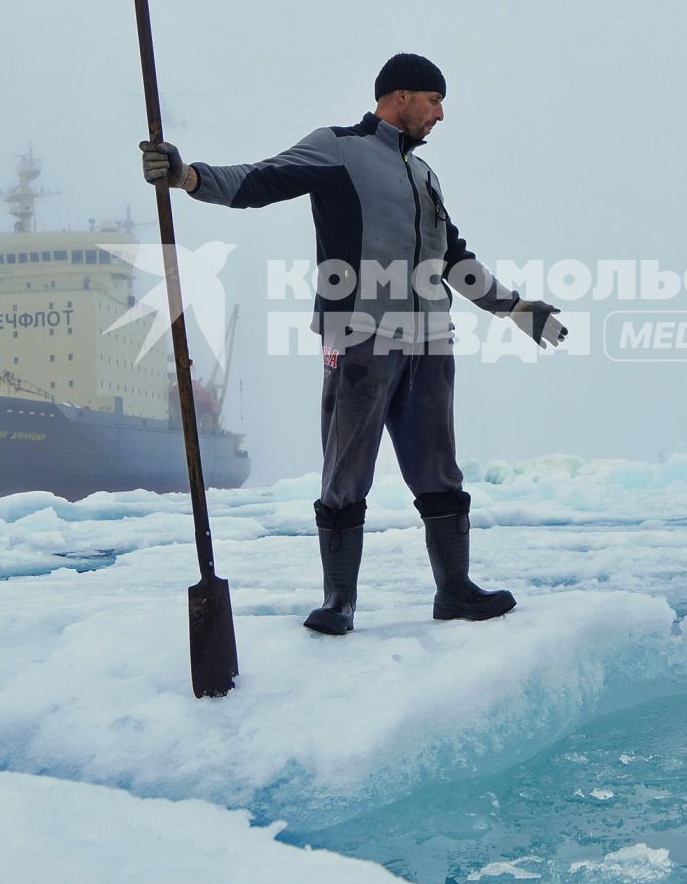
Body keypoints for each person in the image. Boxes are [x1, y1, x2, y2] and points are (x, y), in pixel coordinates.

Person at [141, 53, 566, 634]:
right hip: (360, 336)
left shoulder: (424, 176)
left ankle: (455, 592)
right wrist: (188, 177)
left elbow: (453, 258)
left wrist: (514, 308)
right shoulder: (339, 147)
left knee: (440, 470)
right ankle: (339, 601)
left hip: (430, 343)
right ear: (400, 97)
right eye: (435, 101)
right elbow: (261, 181)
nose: (441, 115)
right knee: (346, 469)